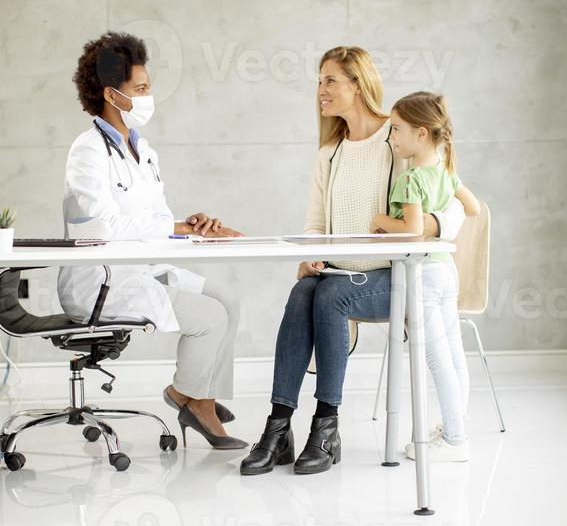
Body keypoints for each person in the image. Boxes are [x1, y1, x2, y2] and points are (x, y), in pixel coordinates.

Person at [240, 46, 465, 477]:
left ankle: (326, 427)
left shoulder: (397, 137)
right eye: (319, 80)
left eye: (330, 80)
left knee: (331, 297)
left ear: (358, 85)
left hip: (392, 277)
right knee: (305, 289)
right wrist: (311, 256)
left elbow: (449, 202)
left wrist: (426, 229)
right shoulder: (330, 152)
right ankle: (279, 426)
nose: (320, 90)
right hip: (340, 273)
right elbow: (314, 224)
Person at [58, 31, 247, 451]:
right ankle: (198, 405)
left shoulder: (144, 151)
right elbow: (104, 227)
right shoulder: (87, 151)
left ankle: (192, 395)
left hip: (143, 270)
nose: (148, 97)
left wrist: (190, 227)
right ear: (112, 94)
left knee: (228, 299)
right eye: (140, 89)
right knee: (209, 319)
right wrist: (170, 228)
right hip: (102, 283)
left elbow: (155, 221)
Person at [371, 91, 480, 461]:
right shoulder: (447, 172)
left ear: (421, 133)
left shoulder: (411, 179)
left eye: (397, 130)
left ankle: (454, 440)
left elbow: (413, 230)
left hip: (424, 278)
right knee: (454, 355)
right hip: (447, 274)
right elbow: (474, 207)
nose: (392, 138)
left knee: (436, 359)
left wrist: (378, 221)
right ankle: (456, 430)